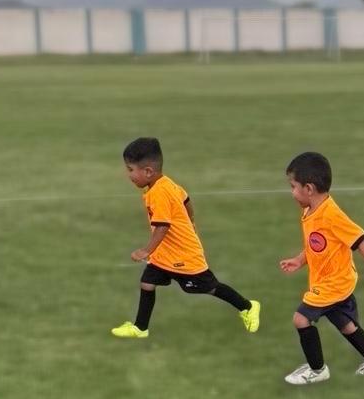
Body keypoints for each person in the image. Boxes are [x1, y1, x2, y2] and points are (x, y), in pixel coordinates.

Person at [111, 137, 260, 338]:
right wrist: (190, 221)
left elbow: (162, 226)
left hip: (183, 254)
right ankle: (140, 328)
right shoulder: (166, 183)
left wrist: (147, 250)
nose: (128, 175)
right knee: (147, 282)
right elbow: (186, 199)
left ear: (148, 171)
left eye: (130, 170)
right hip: (165, 253)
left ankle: (248, 307)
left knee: (208, 287)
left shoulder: (159, 193)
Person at [280, 152, 364, 385]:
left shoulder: (331, 215)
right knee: (346, 325)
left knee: (300, 319)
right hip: (334, 281)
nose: (291, 192)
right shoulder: (309, 211)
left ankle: (317, 369)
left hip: (333, 283)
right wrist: (300, 260)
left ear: (308, 188)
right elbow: (317, 245)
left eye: (293, 186)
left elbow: (360, 240)